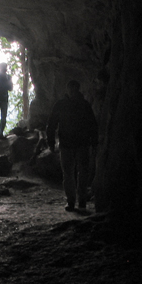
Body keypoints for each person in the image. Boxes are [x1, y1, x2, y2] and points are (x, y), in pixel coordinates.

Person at [46, 79, 98, 211]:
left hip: (81, 144)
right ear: (68, 90)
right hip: (69, 144)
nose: (72, 91)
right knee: (70, 173)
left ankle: (80, 200)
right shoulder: (65, 105)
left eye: (74, 89)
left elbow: (92, 125)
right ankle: (72, 201)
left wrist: (94, 142)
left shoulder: (83, 105)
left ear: (77, 89)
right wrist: (50, 142)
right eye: (71, 89)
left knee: (81, 173)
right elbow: (52, 124)